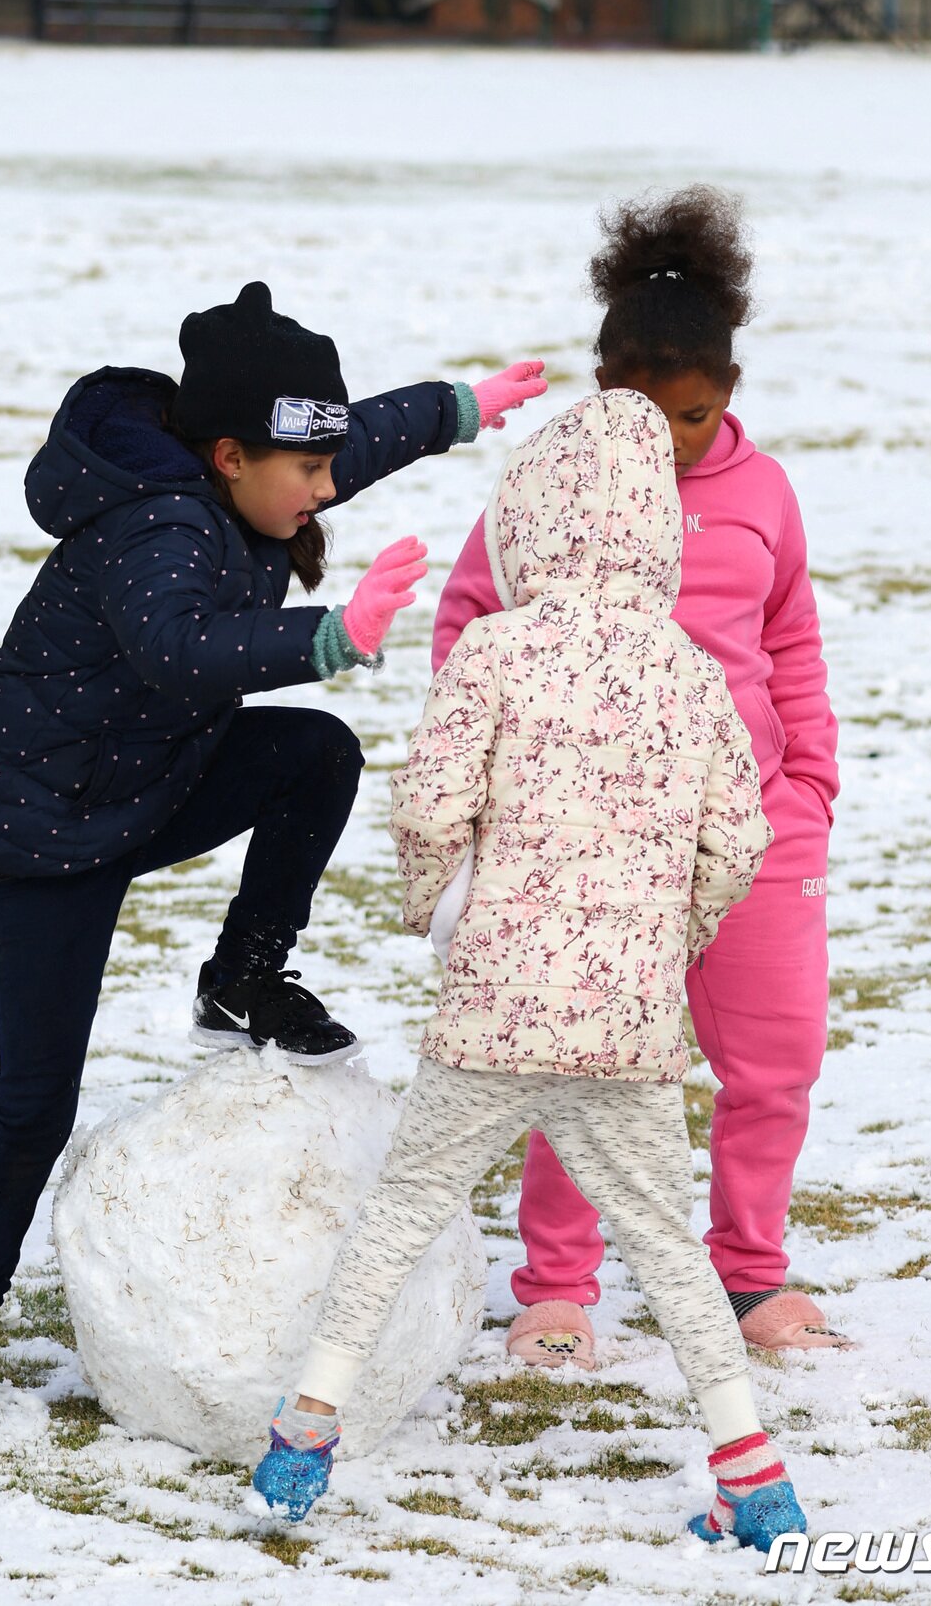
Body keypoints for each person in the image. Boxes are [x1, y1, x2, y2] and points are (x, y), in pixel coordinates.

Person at [0, 280, 546, 1426]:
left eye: (324, 468)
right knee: (36, 1103)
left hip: (146, 781)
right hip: (43, 833)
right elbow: (178, 647)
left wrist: (458, 407)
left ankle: (241, 979)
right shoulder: (156, 521)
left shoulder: (256, 479)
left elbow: (353, 442)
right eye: (306, 471)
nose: (324, 490)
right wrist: (330, 635)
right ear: (229, 456)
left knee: (314, 755)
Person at [250, 392, 807, 1554]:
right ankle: (752, 1477)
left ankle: (302, 1437)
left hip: (494, 1006)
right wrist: (671, 938)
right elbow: (737, 837)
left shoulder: (496, 650)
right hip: (625, 1017)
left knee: (404, 1210)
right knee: (664, 1243)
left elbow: (430, 803)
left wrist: (443, 913)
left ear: (530, 521)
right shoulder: (686, 668)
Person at [434, 188, 843, 1365]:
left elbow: (791, 639)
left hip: (754, 826)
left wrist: (807, 786)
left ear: (729, 391)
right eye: (641, 412)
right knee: (584, 1055)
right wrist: (511, 775)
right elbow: (466, 624)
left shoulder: (762, 494)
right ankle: (556, 1290)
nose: (666, 442)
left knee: (775, 1062)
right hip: (590, 836)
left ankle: (747, 1273)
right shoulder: (544, 490)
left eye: (694, 416)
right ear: (600, 384)